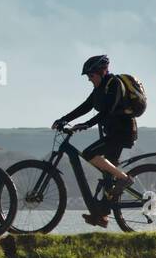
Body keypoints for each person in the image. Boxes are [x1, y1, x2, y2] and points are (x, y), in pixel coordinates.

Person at [52, 54, 136, 228]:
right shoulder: (99, 89)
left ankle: (125, 179)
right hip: (112, 133)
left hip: (122, 133)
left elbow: (108, 111)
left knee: (90, 153)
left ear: (100, 72)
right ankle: (102, 216)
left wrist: (87, 124)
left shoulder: (114, 85)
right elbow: (86, 106)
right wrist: (64, 119)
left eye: (91, 76)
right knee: (107, 175)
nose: (89, 79)